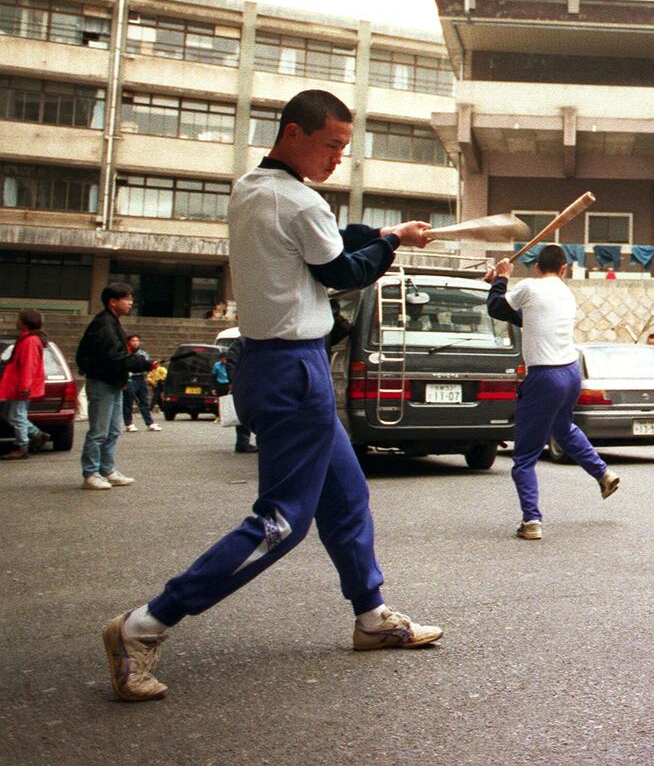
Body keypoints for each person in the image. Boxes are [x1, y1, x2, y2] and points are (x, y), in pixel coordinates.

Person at [102, 89, 442, 704]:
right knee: (282, 522)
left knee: (346, 497)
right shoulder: (301, 202)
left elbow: (332, 237)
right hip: (296, 370)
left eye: (345, 147)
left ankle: (371, 616)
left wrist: (386, 231)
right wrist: (391, 245)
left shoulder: (252, 189)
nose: (340, 157)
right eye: (332, 144)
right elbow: (344, 269)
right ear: (293, 133)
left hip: (267, 361)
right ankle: (144, 625)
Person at [486, 244, 620, 540]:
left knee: (524, 456)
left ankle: (531, 520)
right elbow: (526, 319)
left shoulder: (530, 287)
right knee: (563, 427)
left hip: (544, 376)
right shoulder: (566, 294)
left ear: (536, 267)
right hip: (571, 373)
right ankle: (602, 473)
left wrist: (501, 278)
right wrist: (496, 285)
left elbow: (496, 309)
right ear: (564, 269)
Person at [76, 283, 156, 490]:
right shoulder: (104, 325)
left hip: (114, 383)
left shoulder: (113, 323)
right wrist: (144, 364)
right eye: (127, 298)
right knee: (99, 431)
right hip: (102, 383)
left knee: (113, 431)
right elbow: (116, 358)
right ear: (113, 301)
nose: (131, 302)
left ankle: (107, 470)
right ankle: (91, 473)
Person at [1, 309, 49, 459]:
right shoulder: (27, 339)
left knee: (16, 415)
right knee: (10, 414)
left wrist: (24, 387)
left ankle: (22, 446)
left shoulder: (29, 341)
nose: (17, 322)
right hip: (18, 384)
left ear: (24, 323)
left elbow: (29, 365)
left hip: (21, 385)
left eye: (19, 319)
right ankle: (36, 434)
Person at [222, 335, 256, 454]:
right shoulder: (245, 341)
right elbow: (232, 361)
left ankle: (243, 441)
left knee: (246, 411)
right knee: (247, 411)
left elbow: (231, 361)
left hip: (245, 380)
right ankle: (243, 442)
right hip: (248, 380)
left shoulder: (242, 341)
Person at [121, 335, 161, 434]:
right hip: (130, 378)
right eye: (133, 341)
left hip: (141, 378)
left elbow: (148, 364)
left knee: (144, 401)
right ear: (128, 342)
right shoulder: (126, 353)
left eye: (137, 341)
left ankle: (149, 422)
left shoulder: (143, 353)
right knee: (128, 402)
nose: (135, 343)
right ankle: (129, 423)